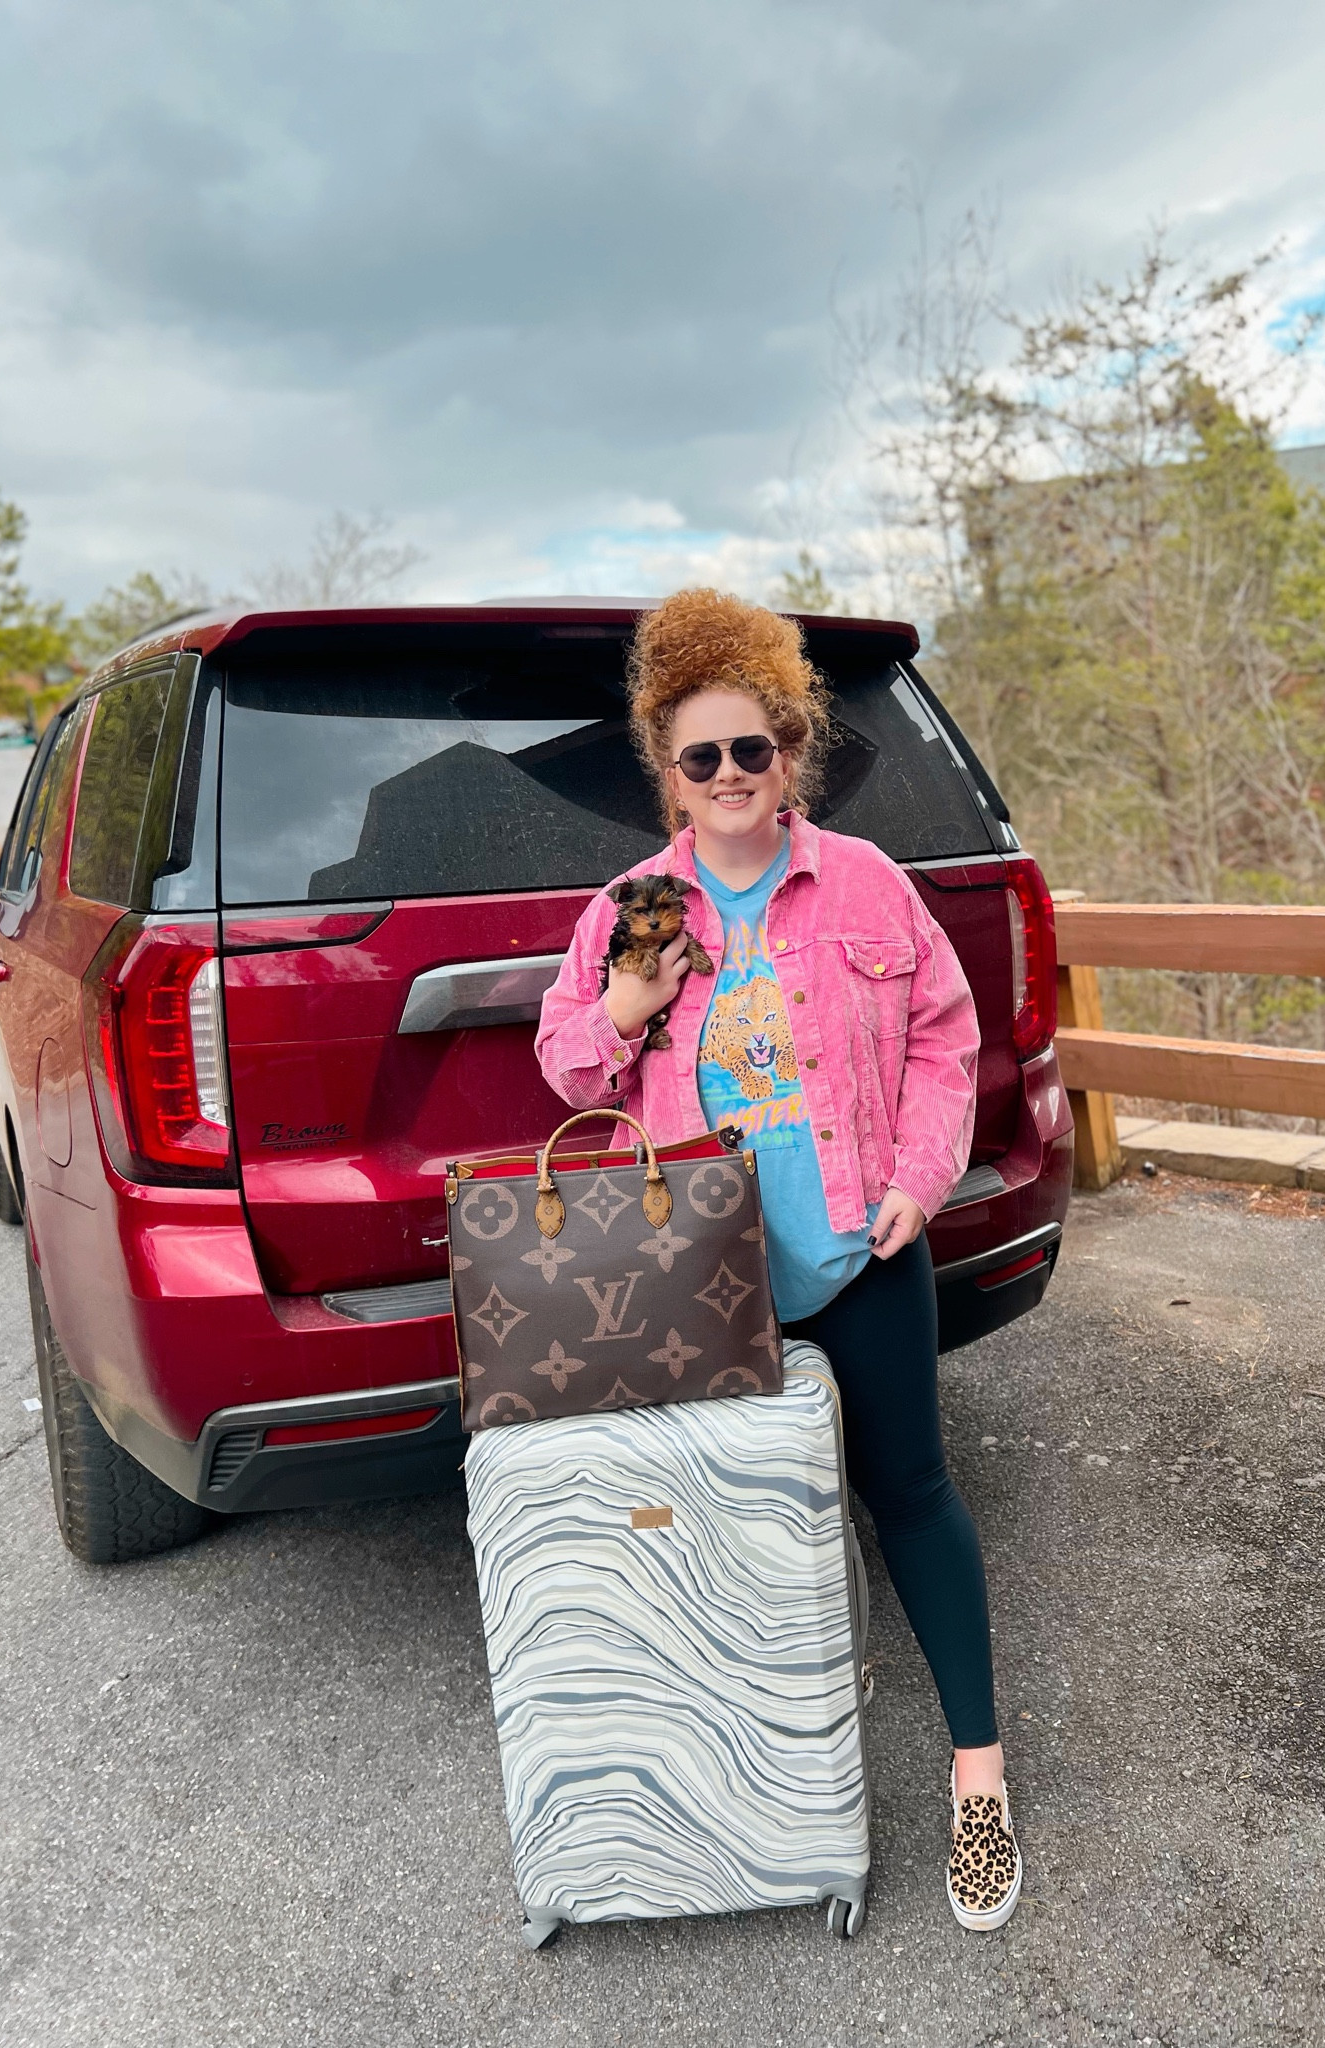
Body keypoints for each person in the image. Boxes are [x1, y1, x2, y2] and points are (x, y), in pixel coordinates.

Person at [535, 587, 1021, 1932]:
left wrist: (925, 1180)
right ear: (667, 772)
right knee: (737, 1526)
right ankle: (764, 1792)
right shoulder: (636, 908)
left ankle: (977, 1777)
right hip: (707, 1276)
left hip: (862, 1250)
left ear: (791, 754)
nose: (733, 776)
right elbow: (567, 1062)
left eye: (755, 750)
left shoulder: (863, 883)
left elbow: (946, 1033)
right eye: (703, 757)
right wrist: (632, 996)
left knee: (910, 1497)